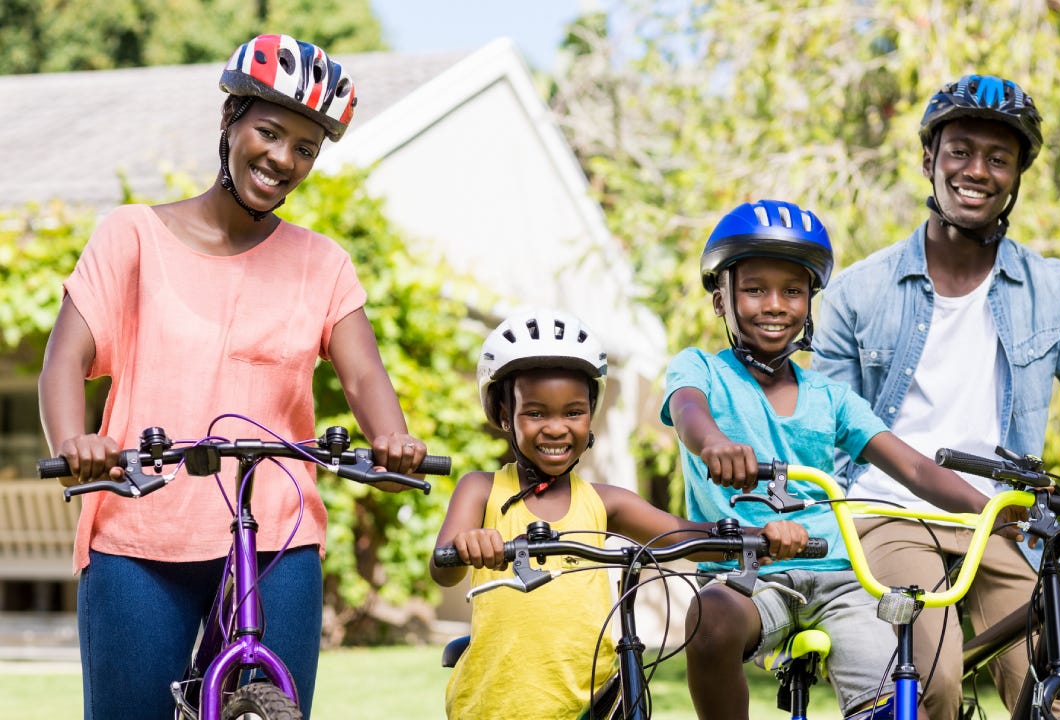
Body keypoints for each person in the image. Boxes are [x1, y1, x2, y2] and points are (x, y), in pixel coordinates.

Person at [37, 34, 426, 720]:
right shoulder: (132, 237)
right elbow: (63, 359)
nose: (283, 159)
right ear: (230, 122)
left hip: (275, 537)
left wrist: (392, 441)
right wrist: (75, 442)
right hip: (139, 530)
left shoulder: (323, 264)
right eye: (269, 132)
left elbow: (366, 378)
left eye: (305, 148)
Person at [810, 74, 1060, 720]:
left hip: (1006, 519)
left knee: (1055, 690)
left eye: (999, 158)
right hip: (891, 513)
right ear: (929, 161)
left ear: (1017, 176)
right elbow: (824, 425)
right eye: (961, 151)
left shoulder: (1056, 290)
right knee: (933, 685)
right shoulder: (861, 292)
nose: (979, 171)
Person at [662, 199, 1021, 720]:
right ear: (721, 299)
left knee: (902, 703)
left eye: (792, 291)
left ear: (810, 302)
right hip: (745, 571)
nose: (775, 305)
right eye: (755, 288)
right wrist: (713, 442)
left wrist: (990, 509)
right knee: (710, 621)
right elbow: (689, 411)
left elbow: (916, 469)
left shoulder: (830, 398)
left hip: (840, 576)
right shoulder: (700, 370)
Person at [430, 308, 808, 720]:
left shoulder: (605, 501)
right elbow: (443, 566)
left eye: (573, 412)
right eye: (536, 413)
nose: (557, 428)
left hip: (595, 701)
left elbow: (683, 535)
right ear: (505, 416)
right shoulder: (481, 490)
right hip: (497, 704)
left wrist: (760, 538)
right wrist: (469, 545)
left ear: (590, 415)